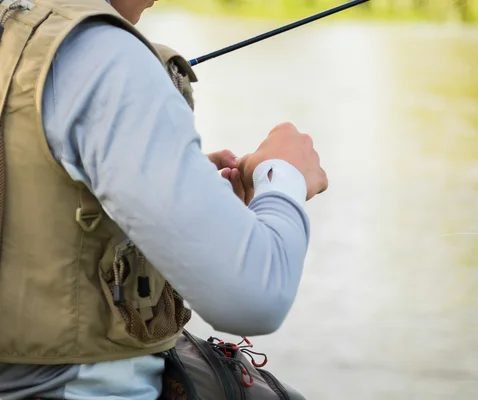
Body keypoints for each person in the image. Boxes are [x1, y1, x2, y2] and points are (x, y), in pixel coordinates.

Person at [0, 0, 328, 398]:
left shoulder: (17, 30)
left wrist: (176, 191)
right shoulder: (100, 53)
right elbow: (256, 297)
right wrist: (284, 175)